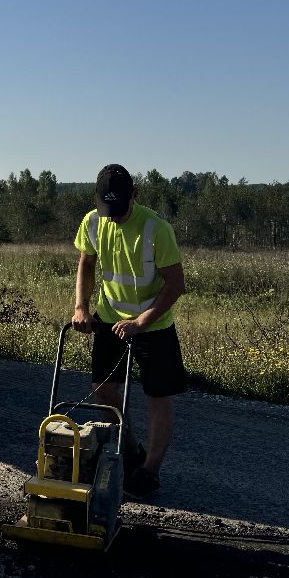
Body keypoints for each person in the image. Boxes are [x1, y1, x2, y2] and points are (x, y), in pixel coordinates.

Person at [71, 164, 187, 499]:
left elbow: (176, 284)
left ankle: (150, 471)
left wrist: (142, 322)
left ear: (134, 195)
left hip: (154, 325)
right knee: (103, 390)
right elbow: (86, 265)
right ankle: (132, 451)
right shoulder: (93, 222)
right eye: (108, 209)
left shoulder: (156, 228)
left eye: (120, 209)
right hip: (110, 319)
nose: (114, 217)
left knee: (157, 396)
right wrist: (81, 307)